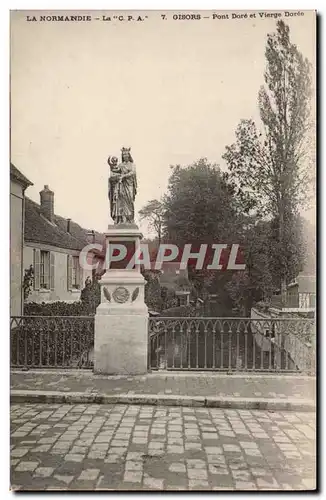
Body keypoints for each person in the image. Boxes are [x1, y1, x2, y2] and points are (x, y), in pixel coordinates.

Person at [108, 148, 137, 224]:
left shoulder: (132, 165)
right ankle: (122, 219)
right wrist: (111, 165)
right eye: (123, 154)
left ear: (129, 155)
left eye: (126, 154)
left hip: (129, 185)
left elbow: (133, 172)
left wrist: (124, 176)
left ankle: (130, 219)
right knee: (121, 201)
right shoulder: (121, 165)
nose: (125, 156)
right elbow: (116, 170)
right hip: (122, 185)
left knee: (129, 201)